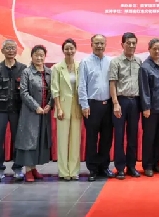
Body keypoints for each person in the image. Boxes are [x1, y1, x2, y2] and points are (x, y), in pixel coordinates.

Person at [0, 39, 26, 182]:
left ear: (16, 50)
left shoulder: (23, 68)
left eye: (13, 48)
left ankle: (18, 167)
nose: (10, 50)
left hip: (17, 110)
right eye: (7, 48)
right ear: (2, 51)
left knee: (18, 140)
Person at [78, 34, 114, 182]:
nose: (99, 46)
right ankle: (92, 169)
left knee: (107, 138)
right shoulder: (85, 62)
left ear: (105, 45)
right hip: (92, 105)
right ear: (91, 44)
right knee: (92, 138)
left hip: (108, 105)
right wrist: (84, 105)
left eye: (102, 43)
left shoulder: (111, 61)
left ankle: (104, 167)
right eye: (96, 43)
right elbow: (81, 85)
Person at [15, 45, 53, 182]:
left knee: (39, 141)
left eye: (41, 55)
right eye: (36, 55)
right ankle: (28, 170)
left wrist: (50, 105)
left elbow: (54, 91)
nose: (39, 57)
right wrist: (36, 107)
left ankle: (34, 168)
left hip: (44, 113)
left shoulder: (49, 72)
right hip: (30, 112)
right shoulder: (27, 72)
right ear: (32, 56)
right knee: (29, 141)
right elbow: (23, 92)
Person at [109, 32, 142, 180]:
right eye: (129, 43)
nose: (131, 46)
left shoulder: (139, 62)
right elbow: (112, 83)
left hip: (135, 102)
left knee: (133, 136)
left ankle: (132, 166)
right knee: (119, 135)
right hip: (120, 101)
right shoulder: (115, 62)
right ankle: (120, 167)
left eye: (134, 43)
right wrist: (115, 103)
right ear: (122, 44)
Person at [52, 38, 82, 181]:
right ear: (63, 50)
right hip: (62, 107)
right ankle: (64, 171)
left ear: (75, 50)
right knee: (63, 141)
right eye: (67, 49)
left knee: (75, 141)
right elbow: (55, 90)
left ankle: (74, 171)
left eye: (71, 48)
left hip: (76, 107)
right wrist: (58, 108)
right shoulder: (57, 68)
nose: (69, 51)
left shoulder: (80, 66)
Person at [139, 38, 159, 177]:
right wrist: (146, 107)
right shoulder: (145, 67)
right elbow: (144, 89)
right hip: (150, 110)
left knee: (158, 138)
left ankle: (156, 163)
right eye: (154, 49)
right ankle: (148, 165)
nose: (157, 51)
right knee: (149, 138)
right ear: (149, 49)